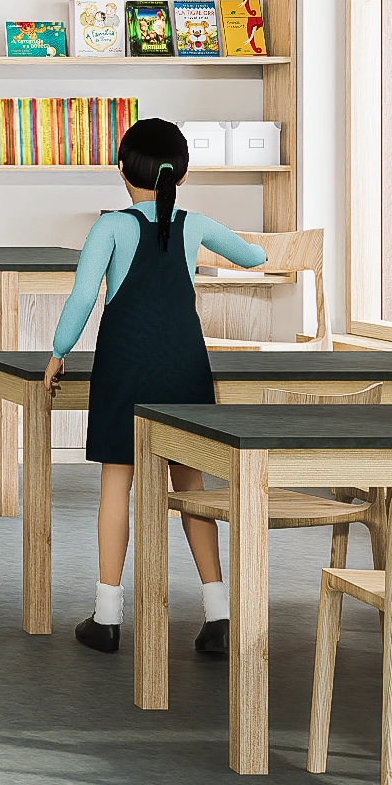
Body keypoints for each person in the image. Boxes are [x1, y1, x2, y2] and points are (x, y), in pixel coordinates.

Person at [43, 119, 267, 658]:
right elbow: (254, 258)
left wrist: (58, 353)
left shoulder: (111, 227)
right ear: (181, 173)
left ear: (122, 170)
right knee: (191, 484)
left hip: (126, 367)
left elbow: (82, 299)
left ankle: (108, 615)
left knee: (116, 484)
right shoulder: (194, 225)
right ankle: (218, 615)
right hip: (186, 367)